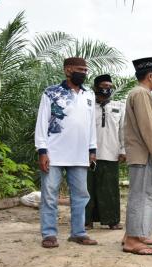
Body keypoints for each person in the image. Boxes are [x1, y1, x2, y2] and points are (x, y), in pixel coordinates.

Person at [34, 57, 98, 248]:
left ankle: (78, 233)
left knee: (81, 194)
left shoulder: (89, 95)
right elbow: (42, 122)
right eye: (80, 69)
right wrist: (42, 151)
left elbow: (91, 125)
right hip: (54, 153)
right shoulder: (51, 92)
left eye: (86, 70)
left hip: (80, 154)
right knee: (49, 194)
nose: (84, 73)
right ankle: (49, 234)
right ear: (68, 70)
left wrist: (92, 149)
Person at [122, 57, 152, 255]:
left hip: (145, 155)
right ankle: (132, 240)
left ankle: (134, 234)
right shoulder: (141, 94)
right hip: (144, 155)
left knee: (145, 195)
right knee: (140, 197)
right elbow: (148, 127)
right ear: (150, 76)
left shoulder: (142, 94)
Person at [85, 74, 125, 230]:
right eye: (104, 86)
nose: (107, 89)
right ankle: (86, 220)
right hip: (88, 154)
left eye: (110, 87)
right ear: (95, 88)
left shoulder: (118, 106)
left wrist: (123, 150)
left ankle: (112, 220)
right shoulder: (87, 106)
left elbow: (123, 129)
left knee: (110, 189)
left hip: (111, 153)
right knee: (87, 188)